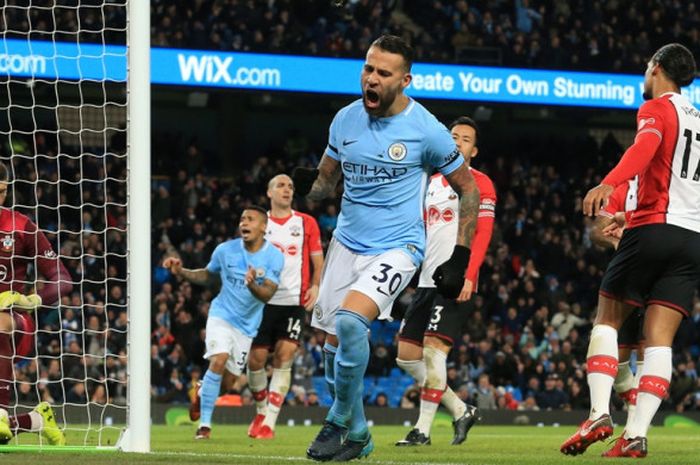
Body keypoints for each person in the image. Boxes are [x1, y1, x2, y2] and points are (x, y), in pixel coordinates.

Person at [293, 35, 480, 461]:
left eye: (383, 73)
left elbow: (468, 190)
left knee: (350, 322)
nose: (371, 79)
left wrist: (461, 254)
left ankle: (338, 422)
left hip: (399, 246)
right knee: (329, 357)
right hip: (346, 242)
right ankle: (359, 433)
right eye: (368, 69)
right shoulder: (344, 120)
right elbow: (325, 184)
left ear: (405, 79)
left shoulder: (426, 129)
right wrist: (311, 186)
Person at [561, 43, 700, 458]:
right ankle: (636, 435)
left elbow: (643, 149)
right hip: (692, 239)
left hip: (655, 227)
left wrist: (609, 181)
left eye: (645, 67)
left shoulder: (658, 108)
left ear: (656, 68)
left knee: (607, 320)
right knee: (659, 341)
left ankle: (599, 413)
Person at [395, 116, 496, 447]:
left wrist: (468, 273)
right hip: (426, 279)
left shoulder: (481, 183)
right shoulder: (432, 182)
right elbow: (422, 232)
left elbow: (482, 233)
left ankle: (422, 430)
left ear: (475, 150)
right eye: (453, 136)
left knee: (433, 354)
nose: (457, 142)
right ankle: (460, 409)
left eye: (465, 139)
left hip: (454, 280)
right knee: (405, 355)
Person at [163, 206, 284, 440]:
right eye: (241, 219)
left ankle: (202, 392)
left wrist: (252, 286)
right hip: (222, 314)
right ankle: (205, 426)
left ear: (264, 227)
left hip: (247, 326)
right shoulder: (225, 250)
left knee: (228, 384)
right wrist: (181, 272)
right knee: (217, 359)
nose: (244, 223)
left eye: (250, 219)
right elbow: (208, 276)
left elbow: (268, 294)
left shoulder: (274, 257)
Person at [246, 174, 324, 439]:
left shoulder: (306, 222)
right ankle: (260, 410)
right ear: (269, 193)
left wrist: (315, 286)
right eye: (280, 185)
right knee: (255, 360)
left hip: (293, 301)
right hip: (261, 301)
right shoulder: (257, 223)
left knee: (285, 355)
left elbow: (317, 259)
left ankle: (269, 422)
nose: (287, 189)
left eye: (290, 186)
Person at [0, 161, 72, 446]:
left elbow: (63, 278)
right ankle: (37, 420)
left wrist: (30, 300)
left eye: (3, 191)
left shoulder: (21, 226)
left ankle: (1, 413)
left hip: (15, 323)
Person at [590, 176, 647, 446]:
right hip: (627, 275)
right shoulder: (624, 186)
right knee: (620, 363)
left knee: (649, 347)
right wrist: (614, 239)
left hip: (658, 275)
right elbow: (597, 229)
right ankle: (631, 426)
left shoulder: (669, 185)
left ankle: (636, 430)